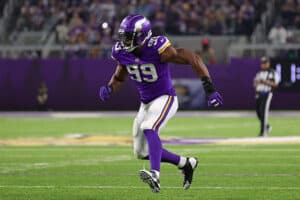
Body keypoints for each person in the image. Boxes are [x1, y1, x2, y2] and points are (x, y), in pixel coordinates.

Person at [99, 14, 223, 193]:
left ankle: (155, 175)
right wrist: (110, 87)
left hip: (166, 98)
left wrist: (209, 88)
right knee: (140, 152)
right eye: (123, 36)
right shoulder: (122, 52)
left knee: (149, 127)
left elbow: (192, 58)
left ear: (142, 36)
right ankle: (186, 163)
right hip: (145, 103)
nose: (124, 40)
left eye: (128, 36)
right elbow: (120, 76)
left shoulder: (158, 48)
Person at [253, 57, 280, 137]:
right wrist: (256, 84)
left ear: (268, 63)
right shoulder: (259, 73)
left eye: (265, 63)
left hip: (267, 93)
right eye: (262, 63)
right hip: (259, 94)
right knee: (258, 113)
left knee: (263, 112)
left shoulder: (273, 73)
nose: (263, 65)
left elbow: (275, 84)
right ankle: (267, 127)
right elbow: (255, 83)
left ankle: (263, 132)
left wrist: (265, 82)